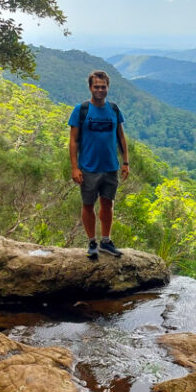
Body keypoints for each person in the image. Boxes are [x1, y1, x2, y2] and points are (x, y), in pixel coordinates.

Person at [69, 70, 129, 259]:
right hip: (88, 167)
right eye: (96, 87)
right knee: (88, 205)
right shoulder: (81, 110)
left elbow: (121, 136)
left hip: (111, 166)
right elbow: (73, 140)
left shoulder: (114, 109)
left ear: (108, 87)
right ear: (90, 87)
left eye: (103, 87)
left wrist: (125, 161)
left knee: (107, 204)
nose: (100, 90)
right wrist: (74, 167)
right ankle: (91, 242)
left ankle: (105, 241)